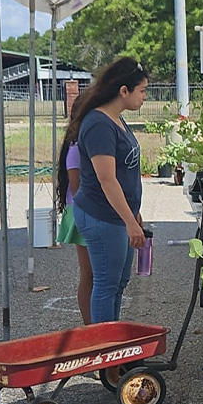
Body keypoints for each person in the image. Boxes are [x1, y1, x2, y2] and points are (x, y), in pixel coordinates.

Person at [71, 57, 148, 323]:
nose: (144, 97)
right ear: (123, 91)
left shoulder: (116, 119)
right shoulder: (99, 124)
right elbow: (107, 180)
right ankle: (104, 356)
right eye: (142, 91)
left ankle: (114, 349)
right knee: (105, 285)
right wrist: (129, 221)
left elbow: (125, 175)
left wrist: (133, 213)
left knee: (118, 283)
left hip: (119, 215)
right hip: (103, 216)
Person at [56, 128, 92, 325]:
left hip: (84, 210)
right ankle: (90, 324)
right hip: (81, 212)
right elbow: (75, 185)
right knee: (89, 274)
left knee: (93, 274)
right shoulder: (76, 146)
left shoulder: (81, 143)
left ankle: (93, 323)